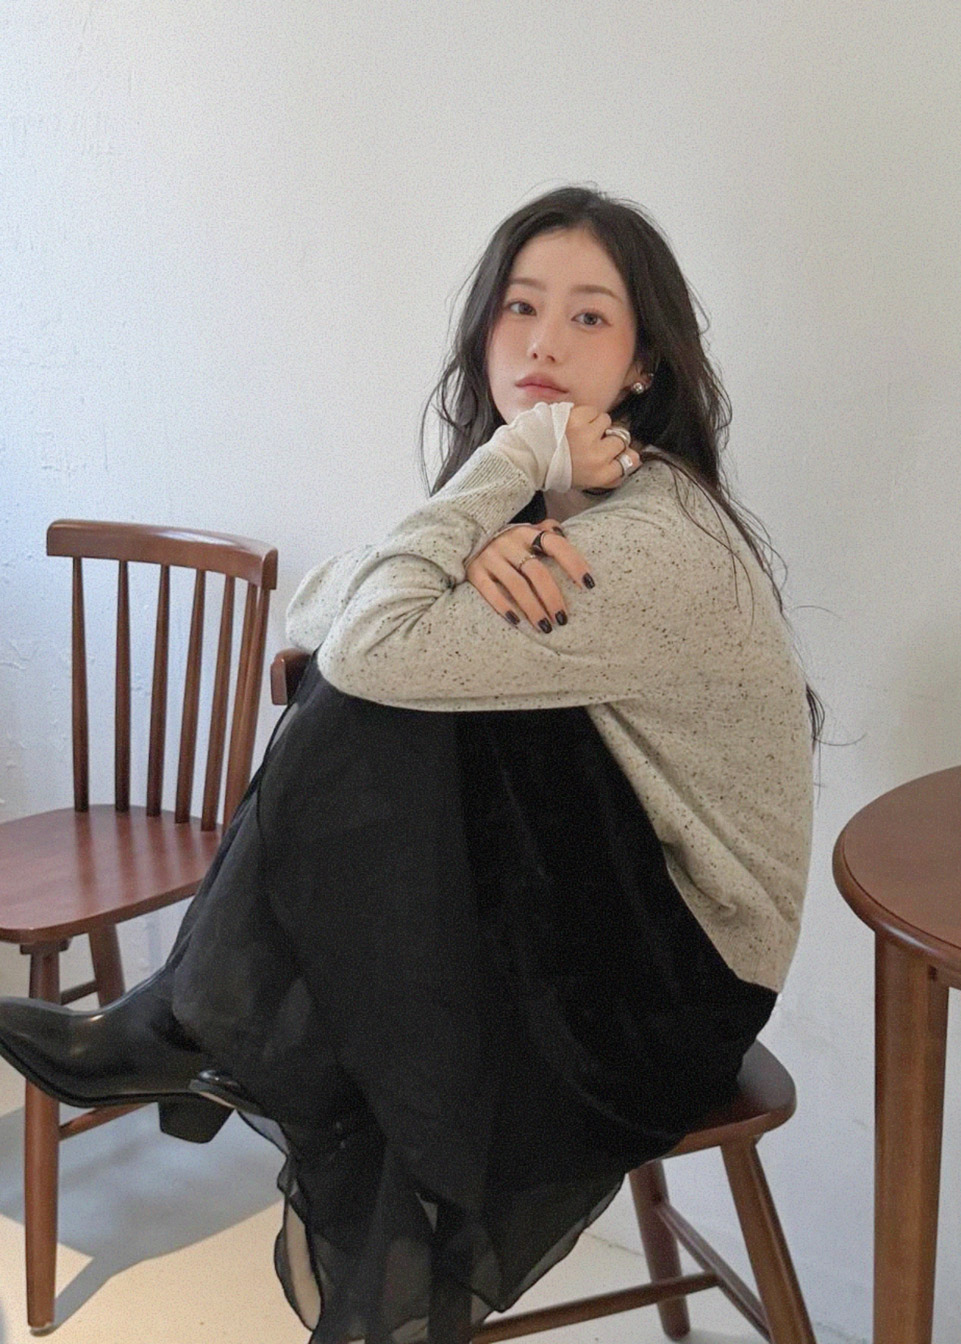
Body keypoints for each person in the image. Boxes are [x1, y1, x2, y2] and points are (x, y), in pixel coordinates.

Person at [0, 185, 822, 1343]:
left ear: (642, 366)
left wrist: (502, 467)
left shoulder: (645, 540)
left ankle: (192, 1027)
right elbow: (317, 604)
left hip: (679, 995)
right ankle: (203, 1041)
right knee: (389, 733)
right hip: (609, 925)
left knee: (379, 704)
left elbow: (362, 651)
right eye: (519, 308)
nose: (542, 343)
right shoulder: (540, 513)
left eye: (589, 317)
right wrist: (477, 525)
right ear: (483, 329)